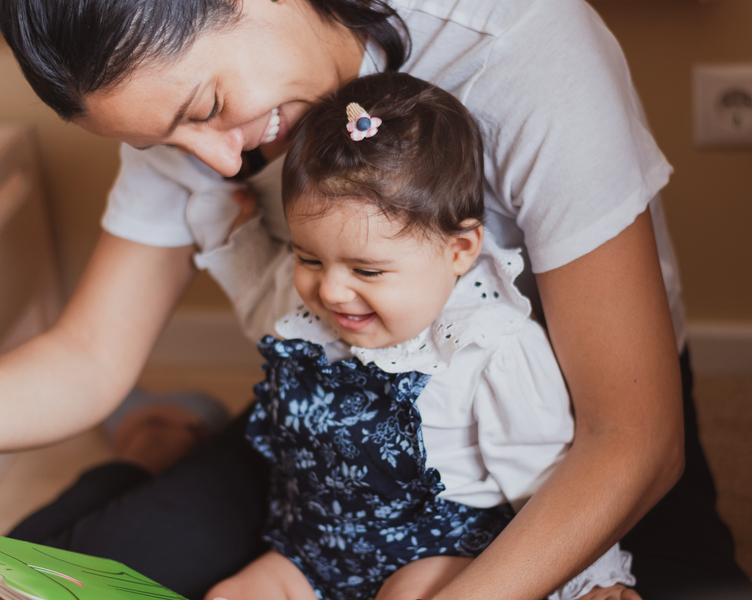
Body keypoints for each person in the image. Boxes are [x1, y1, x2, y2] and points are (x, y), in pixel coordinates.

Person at [0, 0, 745, 598]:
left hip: (565, 442)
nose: (217, 161)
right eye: (164, 145)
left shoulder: (521, 44)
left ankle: (161, 440)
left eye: (203, 110)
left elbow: (632, 438)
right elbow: (91, 354)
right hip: (329, 439)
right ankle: (158, 443)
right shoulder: (178, 104)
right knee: (42, 566)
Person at [204, 71, 639, 600]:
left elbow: (546, 475)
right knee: (231, 595)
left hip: (439, 551)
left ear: (459, 250)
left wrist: (596, 579)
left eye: (367, 271)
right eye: (309, 258)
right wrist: (230, 231)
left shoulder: (489, 345)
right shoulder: (309, 310)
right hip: (315, 549)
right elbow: (258, 301)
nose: (333, 291)